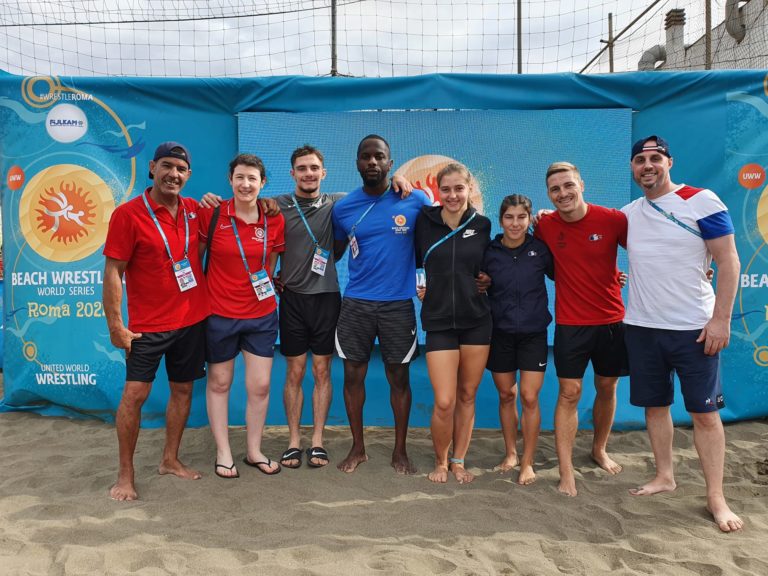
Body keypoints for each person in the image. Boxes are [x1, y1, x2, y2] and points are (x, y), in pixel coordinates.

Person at [200, 147, 412, 470]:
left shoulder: (341, 202)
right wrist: (210, 199)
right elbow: (245, 207)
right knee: (295, 372)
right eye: (302, 168)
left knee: (322, 371)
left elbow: (376, 191)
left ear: (323, 173)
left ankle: (317, 442)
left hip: (327, 298)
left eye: (314, 168)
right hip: (292, 300)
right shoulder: (275, 206)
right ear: (292, 174)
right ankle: (294, 441)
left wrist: (399, 178)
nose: (308, 173)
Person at [623, 136, 743, 532]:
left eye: (655, 158)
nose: (648, 165)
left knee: (705, 415)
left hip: (694, 328)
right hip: (642, 327)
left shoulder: (702, 200)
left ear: (669, 162)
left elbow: (727, 261)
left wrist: (720, 319)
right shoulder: (629, 215)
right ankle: (664, 476)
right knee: (655, 407)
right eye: (640, 160)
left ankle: (716, 498)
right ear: (633, 168)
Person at [103, 141, 210, 500]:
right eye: (167, 166)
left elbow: (244, 212)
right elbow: (113, 273)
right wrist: (116, 325)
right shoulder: (128, 214)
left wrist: (269, 204)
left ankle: (170, 460)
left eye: (180, 169)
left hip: (192, 320)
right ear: (152, 168)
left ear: (188, 175)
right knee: (134, 396)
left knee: (183, 390)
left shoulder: (195, 210)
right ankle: (125, 475)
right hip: (146, 326)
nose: (173, 174)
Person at [332, 134, 431, 474]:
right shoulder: (343, 207)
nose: (372, 162)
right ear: (357, 163)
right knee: (352, 376)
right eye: (365, 157)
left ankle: (399, 451)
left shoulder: (414, 199)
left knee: (398, 379)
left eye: (379, 157)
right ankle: (357, 448)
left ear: (391, 162)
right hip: (356, 304)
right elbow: (332, 251)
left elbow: (448, 225)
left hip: (397, 306)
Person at [534, 161, 627, 497]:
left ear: (581, 184)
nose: (563, 193)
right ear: (549, 194)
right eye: (555, 189)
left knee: (607, 386)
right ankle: (566, 471)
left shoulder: (613, 219)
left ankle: (599, 449)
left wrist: (695, 271)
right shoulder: (543, 224)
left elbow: (652, 253)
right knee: (569, 393)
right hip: (571, 324)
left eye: (568, 185)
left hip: (611, 320)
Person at [198, 153, 285, 478]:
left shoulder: (274, 218)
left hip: (261, 316)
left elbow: (272, 262)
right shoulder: (213, 213)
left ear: (263, 183)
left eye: (252, 178)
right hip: (219, 314)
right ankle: (223, 452)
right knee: (220, 383)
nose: (246, 184)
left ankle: (253, 451)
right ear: (230, 180)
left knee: (260, 386)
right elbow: (196, 259)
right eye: (240, 178)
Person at [414, 163, 492, 484]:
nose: (453, 195)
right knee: (444, 401)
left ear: (469, 189)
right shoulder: (424, 222)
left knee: (467, 395)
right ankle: (440, 460)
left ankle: (458, 460)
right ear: (438, 190)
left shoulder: (483, 224)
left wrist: (490, 278)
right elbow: (406, 258)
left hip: (477, 321)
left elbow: (493, 264)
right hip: (439, 320)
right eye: (446, 189)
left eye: (459, 188)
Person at [483, 194, 554, 486]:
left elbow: (573, 273)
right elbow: (468, 278)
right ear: (501, 220)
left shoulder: (541, 250)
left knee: (528, 397)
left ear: (529, 219)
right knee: (506, 395)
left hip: (533, 334)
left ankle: (527, 462)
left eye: (521, 217)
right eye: (509, 217)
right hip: (499, 333)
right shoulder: (489, 252)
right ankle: (511, 453)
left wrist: (613, 277)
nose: (515, 223)